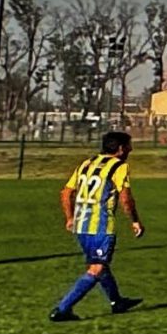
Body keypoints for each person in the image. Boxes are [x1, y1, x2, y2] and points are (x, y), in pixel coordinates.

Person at [51, 130, 145, 321]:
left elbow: (66, 192)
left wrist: (70, 218)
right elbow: (126, 198)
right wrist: (135, 221)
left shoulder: (86, 163)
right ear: (120, 149)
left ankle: (116, 302)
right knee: (97, 269)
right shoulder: (119, 166)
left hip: (80, 226)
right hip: (101, 227)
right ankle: (62, 309)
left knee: (100, 265)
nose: (131, 149)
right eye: (128, 145)